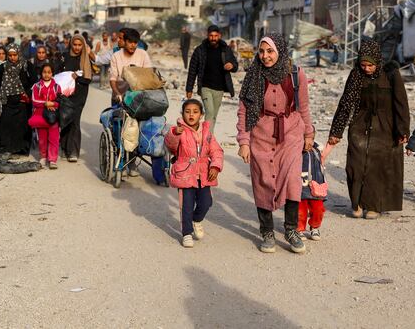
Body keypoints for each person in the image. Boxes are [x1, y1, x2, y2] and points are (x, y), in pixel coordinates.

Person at [236, 33, 314, 254]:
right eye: (261, 51)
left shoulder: (296, 74)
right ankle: (267, 232)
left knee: (292, 181)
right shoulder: (253, 75)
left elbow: (304, 107)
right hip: (260, 133)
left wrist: (309, 133)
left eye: (270, 51)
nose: (265, 56)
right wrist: (244, 141)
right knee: (262, 182)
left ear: (279, 50)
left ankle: (291, 230)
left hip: (290, 132)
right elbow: (243, 111)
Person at [328, 39, 410, 219]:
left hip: (385, 126)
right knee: (355, 164)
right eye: (363, 64)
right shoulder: (356, 74)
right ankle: (356, 203)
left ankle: (374, 206)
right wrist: (336, 131)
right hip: (360, 125)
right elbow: (346, 104)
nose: (366, 69)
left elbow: (401, 103)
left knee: (377, 166)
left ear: (377, 61)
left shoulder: (391, 74)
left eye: (370, 65)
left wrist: (402, 130)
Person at [165, 99, 224, 248]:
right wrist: (174, 134)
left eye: (195, 112)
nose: (191, 115)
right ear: (182, 114)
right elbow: (170, 145)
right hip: (185, 172)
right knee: (186, 204)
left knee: (206, 202)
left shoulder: (206, 132)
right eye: (188, 111)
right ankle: (186, 233)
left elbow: (216, 151)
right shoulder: (179, 130)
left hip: (203, 173)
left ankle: (197, 219)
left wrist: (215, 167)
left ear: (201, 115)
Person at [109, 28, 152, 176]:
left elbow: (149, 74)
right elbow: (113, 79)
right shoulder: (116, 56)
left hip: (138, 97)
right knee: (119, 129)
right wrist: (117, 93)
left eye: (136, 43)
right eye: (130, 42)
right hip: (120, 96)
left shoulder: (143, 54)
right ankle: (119, 160)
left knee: (136, 129)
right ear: (124, 42)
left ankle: (132, 163)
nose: (133, 45)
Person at [186, 25, 238, 130]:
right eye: (211, 36)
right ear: (207, 35)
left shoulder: (226, 49)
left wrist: (231, 66)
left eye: (215, 36)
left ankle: (208, 137)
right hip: (205, 87)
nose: (213, 38)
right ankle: (207, 140)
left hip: (219, 89)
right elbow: (192, 70)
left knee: (213, 115)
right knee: (209, 112)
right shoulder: (200, 50)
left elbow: (235, 65)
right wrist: (189, 88)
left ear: (219, 36)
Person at [0, 44, 34, 157]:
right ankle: (6, 148)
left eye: (15, 55)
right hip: (7, 101)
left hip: (22, 101)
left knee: (21, 126)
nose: (12, 57)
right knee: (6, 125)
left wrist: (27, 94)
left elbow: (34, 81)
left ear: (18, 53)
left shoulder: (26, 65)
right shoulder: (3, 66)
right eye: (10, 55)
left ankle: (21, 150)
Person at [59, 33, 94, 162]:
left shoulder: (85, 59)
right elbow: (57, 73)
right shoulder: (64, 57)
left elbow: (88, 79)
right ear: (71, 44)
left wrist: (77, 77)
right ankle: (63, 148)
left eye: (80, 45)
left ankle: (73, 151)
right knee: (64, 119)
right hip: (65, 94)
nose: (77, 47)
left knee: (75, 121)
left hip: (80, 94)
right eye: (75, 44)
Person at [31, 63, 62, 169]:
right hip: (40, 116)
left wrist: (53, 104)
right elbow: (34, 101)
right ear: (41, 73)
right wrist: (45, 103)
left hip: (53, 117)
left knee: (54, 138)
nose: (46, 74)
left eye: (49, 72)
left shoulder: (57, 87)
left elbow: (60, 101)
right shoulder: (36, 86)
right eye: (44, 72)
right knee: (42, 138)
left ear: (52, 73)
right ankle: (43, 157)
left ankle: (52, 159)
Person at [298, 144, 326, 241]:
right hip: (299, 186)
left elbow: (323, 160)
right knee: (300, 210)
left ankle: (315, 227)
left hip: (315, 185)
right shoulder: (295, 149)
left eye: (311, 138)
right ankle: (299, 229)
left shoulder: (316, 150)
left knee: (318, 209)